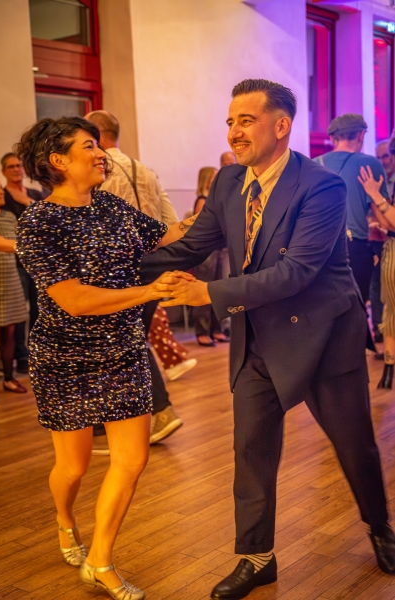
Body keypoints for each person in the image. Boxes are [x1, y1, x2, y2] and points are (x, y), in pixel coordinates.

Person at [141, 78, 395, 599]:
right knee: (251, 448)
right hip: (257, 335)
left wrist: (207, 293)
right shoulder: (230, 182)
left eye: (246, 120)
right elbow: (191, 246)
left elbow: (295, 272)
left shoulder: (322, 185)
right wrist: (108, 268)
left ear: (281, 126)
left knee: (355, 447)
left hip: (323, 335)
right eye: (230, 121)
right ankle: (257, 558)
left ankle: (380, 529)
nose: (234, 131)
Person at [15, 116, 197, 600]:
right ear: (58, 161)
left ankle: (100, 559)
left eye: (98, 145)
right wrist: (149, 291)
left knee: (132, 460)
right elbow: (74, 300)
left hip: (122, 350)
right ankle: (64, 520)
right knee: (73, 468)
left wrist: (220, 206)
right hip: (66, 358)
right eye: (89, 147)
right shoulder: (37, 222)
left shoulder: (111, 206)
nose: (101, 154)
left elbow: (169, 234)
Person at [84, 109, 189, 447]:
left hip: (121, 269)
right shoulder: (146, 171)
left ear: (97, 134)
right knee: (129, 339)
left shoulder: (98, 173)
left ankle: (159, 411)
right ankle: (116, 416)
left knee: (125, 339)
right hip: (155, 262)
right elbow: (169, 220)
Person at [314, 114, 388, 304]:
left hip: (319, 248)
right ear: (361, 135)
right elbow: (384, 220)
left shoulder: (313, 165)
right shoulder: (370, 164)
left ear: (332, 138)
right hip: (354, 248)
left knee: (325, 308)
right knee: (356, 307)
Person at [1, 152, 44, 374]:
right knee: (17, 312)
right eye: (11, 167)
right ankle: (21, 355)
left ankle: (36, 351)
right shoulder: (3, 197)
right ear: (3, 171)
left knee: (39, 308)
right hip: (15, 261)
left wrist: (28, 203)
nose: (16, 169)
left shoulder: (36, 194)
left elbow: (46, 222)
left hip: (38, 261)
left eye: (19, 165)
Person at [358, 160, 395, 389]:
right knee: (390, 314)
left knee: (391, 313)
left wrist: (375, 196)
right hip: (392, 250)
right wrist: (373, 198)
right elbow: (388, 224)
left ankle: (389, 372)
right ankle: (388, 370)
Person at [0, 177, 28, 393]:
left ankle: (8, 377)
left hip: (9, 279)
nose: (0, 191)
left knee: (10, 331)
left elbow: (21, 243)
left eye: (0, 187)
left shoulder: (9, 216)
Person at [192, 167, 230, 346]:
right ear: (207, 180)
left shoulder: (219, 198)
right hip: (208, 251)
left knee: (220, 291)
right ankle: (202, 331)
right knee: (204, 291)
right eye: (214, 177)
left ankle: (218, 329)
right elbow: (200, 227)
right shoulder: (202, 200)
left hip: (222, 249)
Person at [371, 140, 395, 344]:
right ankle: (379, 329)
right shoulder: (379, 180)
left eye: (386, 156)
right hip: (381, 240)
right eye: (378, 157)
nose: (383, 161)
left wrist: (374, 196)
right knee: (377, 284)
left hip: (390, 239)